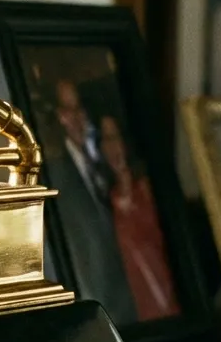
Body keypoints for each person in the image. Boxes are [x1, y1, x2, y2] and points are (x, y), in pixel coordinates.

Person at [42, 79, 138, 324]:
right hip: (100, 309)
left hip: (126, 298)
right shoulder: (56, 175)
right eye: (67, 110)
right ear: (58, 117)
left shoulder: (99, 161)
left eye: (79, 109)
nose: (77, 117)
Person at [98, 115, 178, 321]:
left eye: (116, 137)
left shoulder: (146, 188)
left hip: (169, 294)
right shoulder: (106, 201)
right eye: (106, 139)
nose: (113, 146)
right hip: (138, 307)